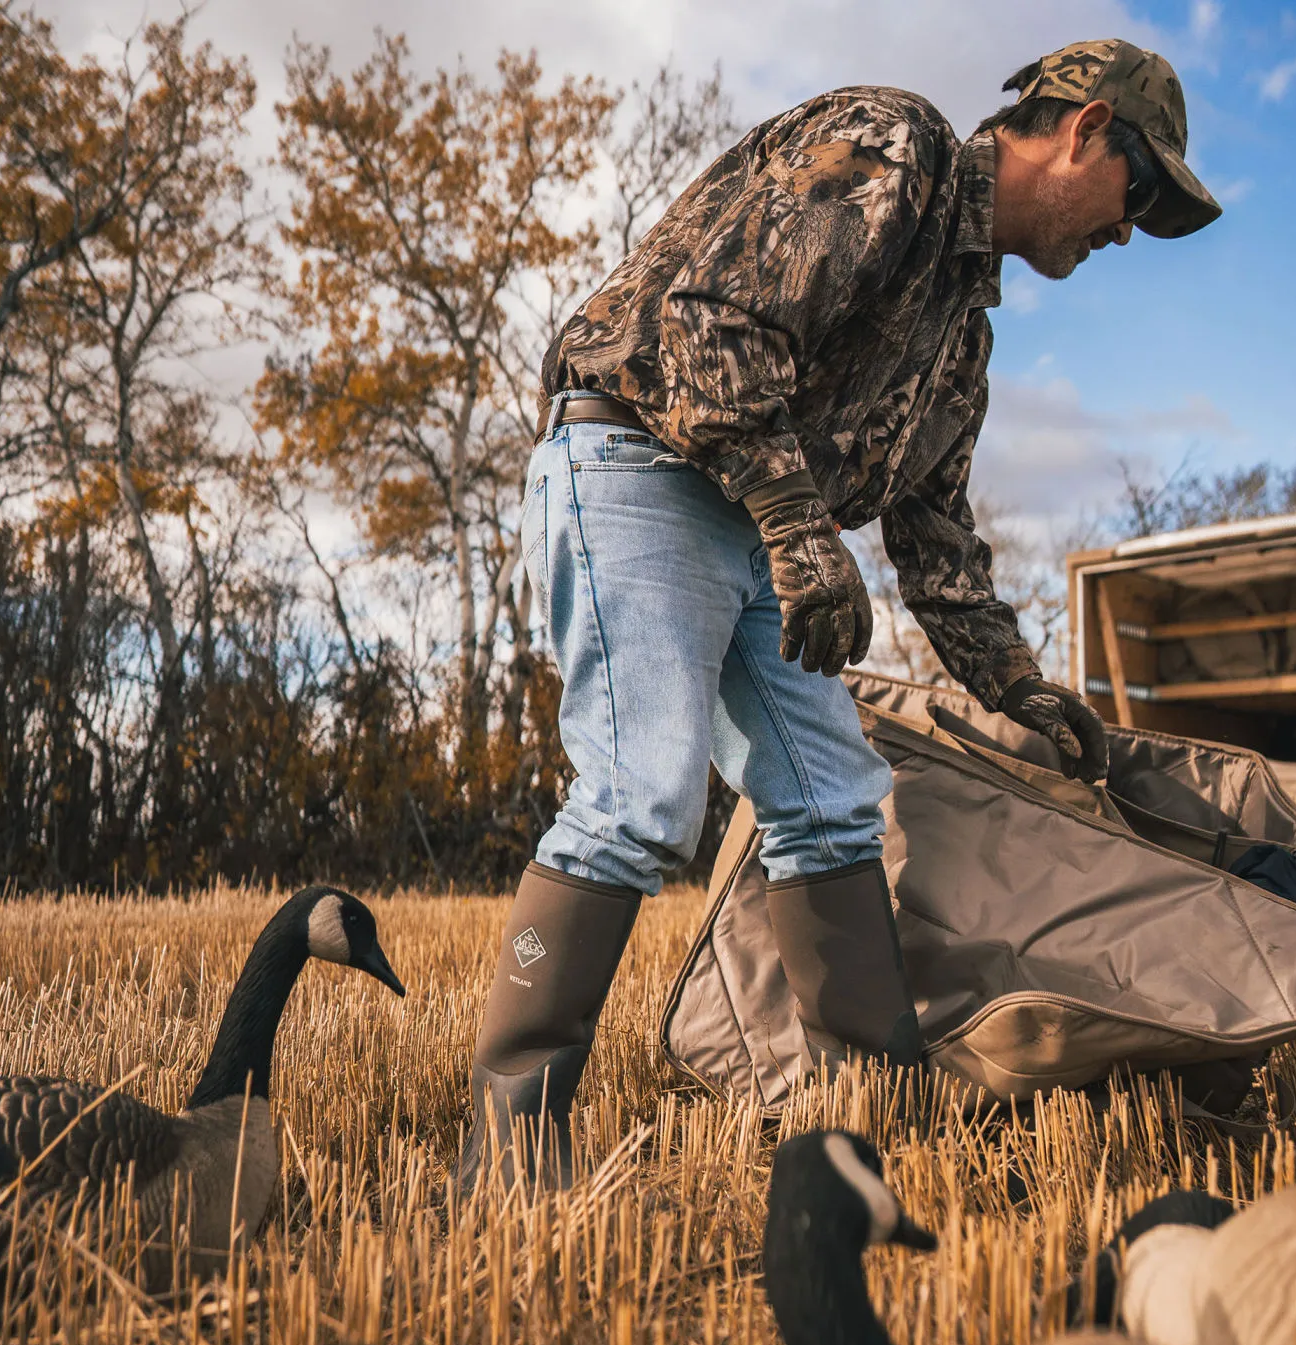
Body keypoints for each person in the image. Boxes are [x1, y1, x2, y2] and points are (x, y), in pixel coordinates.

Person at [456, 39, 1222, 1189]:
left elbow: (936, 542)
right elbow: (710, 325)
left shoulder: (961, 334)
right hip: (637, 461)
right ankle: (507, 1147)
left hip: (762, 521)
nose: (1124, 231)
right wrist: (794, 523)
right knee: (638, 798)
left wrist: (1018, 685)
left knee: (832, 804)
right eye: (1140, 193)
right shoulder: (890, 148)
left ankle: (868, 1121)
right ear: (1085, 129)